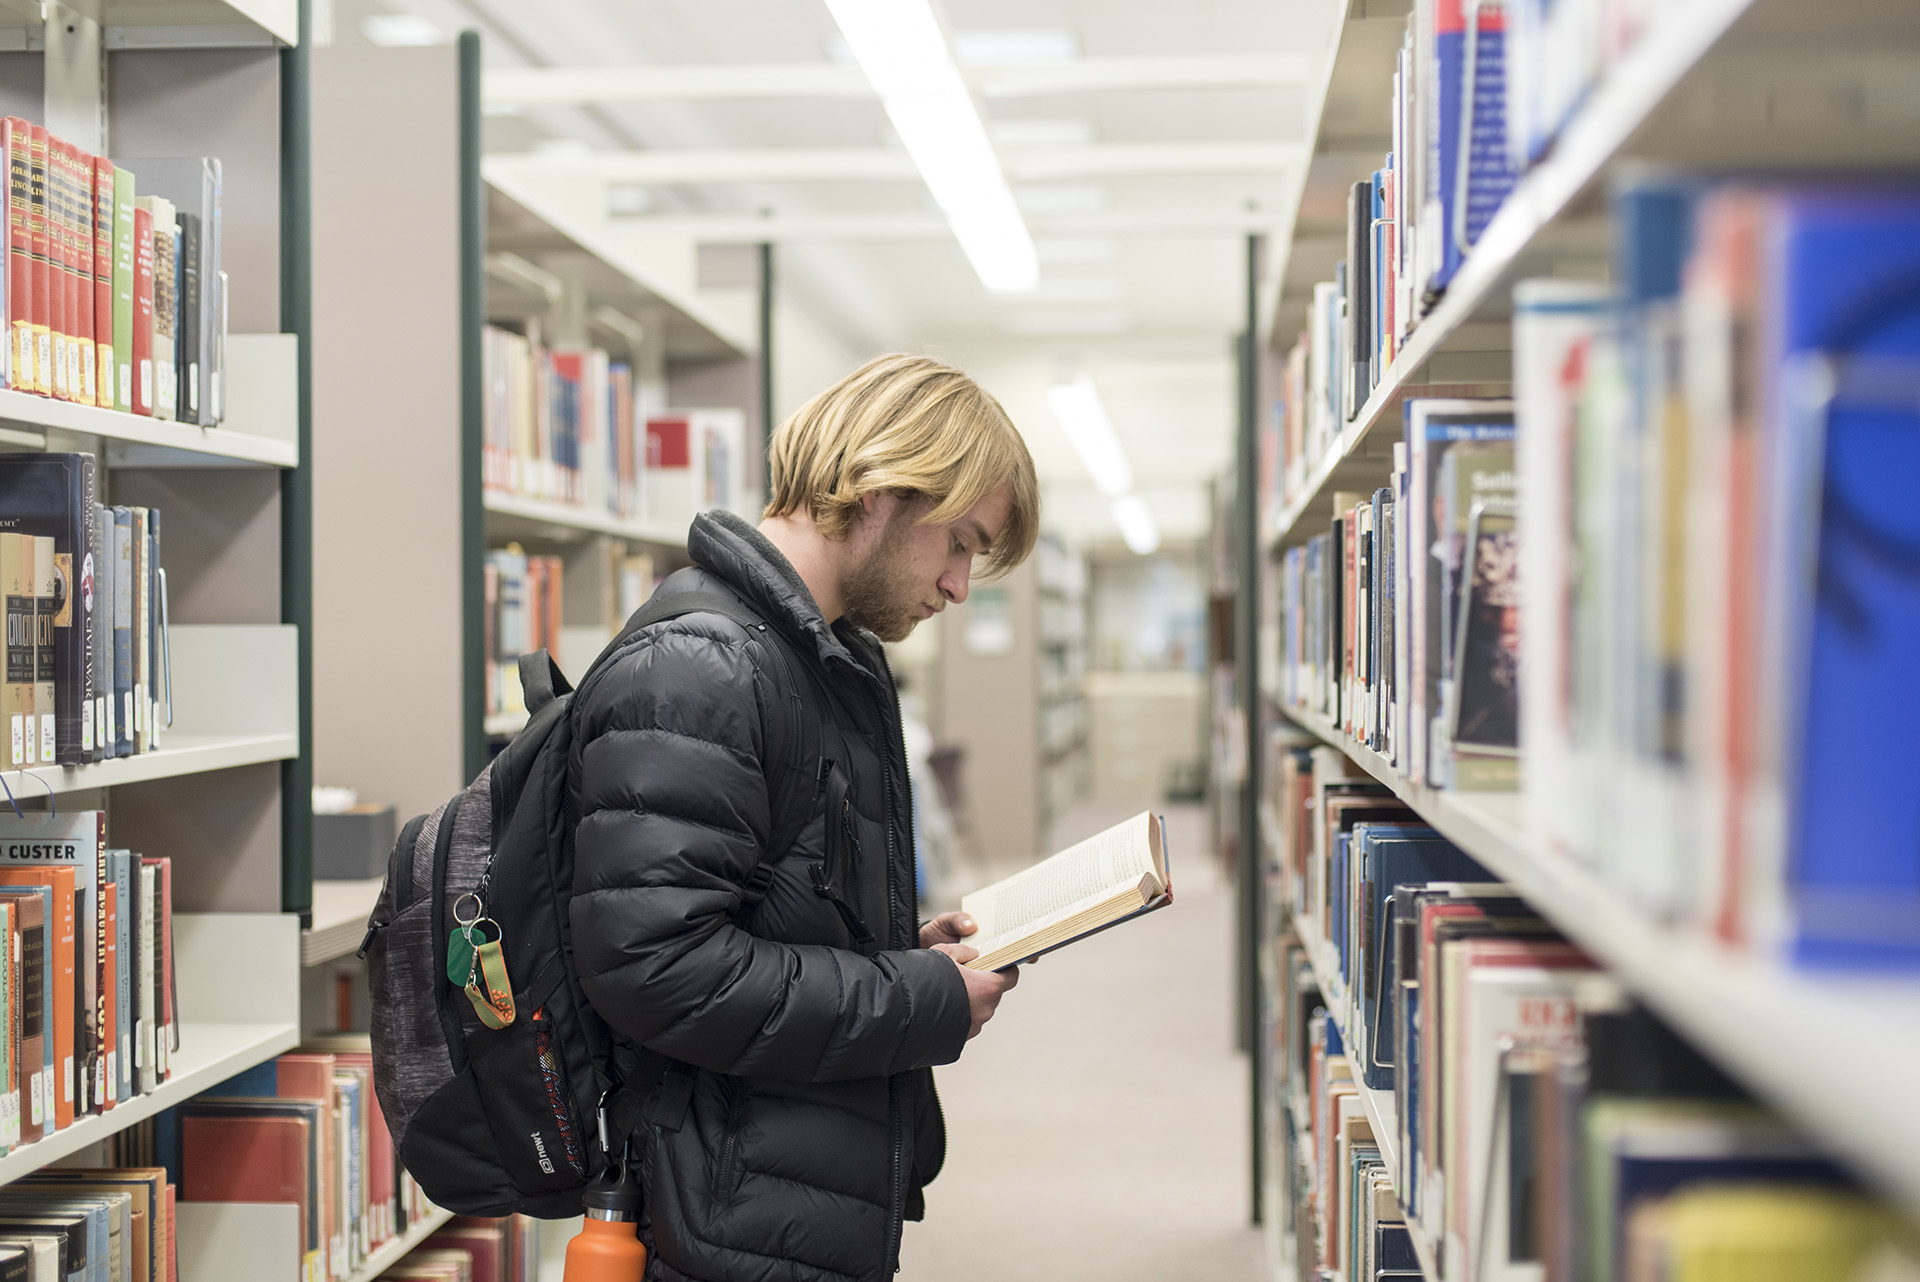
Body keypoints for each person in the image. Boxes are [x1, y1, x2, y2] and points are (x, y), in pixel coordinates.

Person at [569, 353, 1041, 1282]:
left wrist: (901, 947)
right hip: (722, 1210)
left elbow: (759, 903)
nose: (958, 585)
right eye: (959, 542)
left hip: (785, 1183)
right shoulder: (700, 669)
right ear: (882, 490)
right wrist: (917, 1000)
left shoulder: (816, 661)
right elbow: (657, 968)